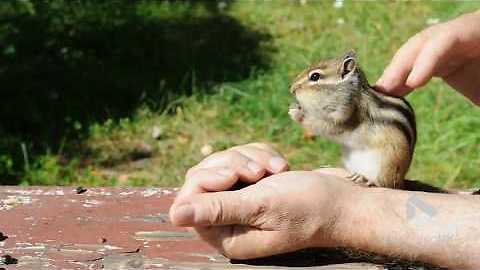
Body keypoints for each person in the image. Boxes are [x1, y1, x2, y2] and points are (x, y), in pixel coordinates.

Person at [169, 10, 480, 269]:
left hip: (386, 154)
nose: (301, 88)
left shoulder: (355, 106)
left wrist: (349, 214)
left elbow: (342, 126)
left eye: (315, 80)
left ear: (347, 75)